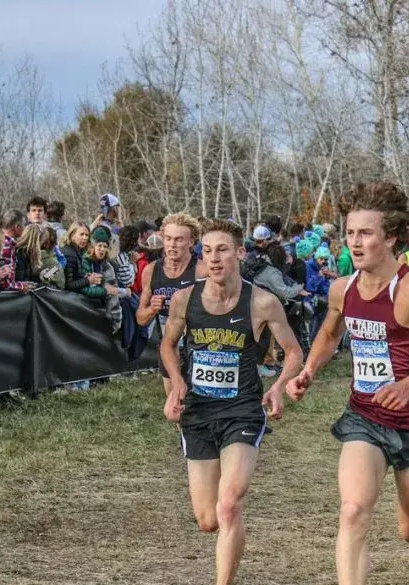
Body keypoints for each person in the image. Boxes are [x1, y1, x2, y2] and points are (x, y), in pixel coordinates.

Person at [286, 182, 409, 585]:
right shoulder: (342, 289)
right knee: (353, 511)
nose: (354, 241)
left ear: (389, 238)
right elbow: (332, 332)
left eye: (365, 233)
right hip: (364, 417)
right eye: (350, 232)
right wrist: (309, 371)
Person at [160, 219, 302, 585]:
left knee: (229, 505)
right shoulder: (184, 299)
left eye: (222, 249)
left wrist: (278, 386)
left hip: (242, 410)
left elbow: (293, 353)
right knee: (208, 520)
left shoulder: (262, 302)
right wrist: (176, 383)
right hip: (199, 413)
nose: (214, 259)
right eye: (207, 251)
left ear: (240, 252)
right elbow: (167, 345)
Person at [137, 213, 202, 400]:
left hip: (199, 345)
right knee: (175, 402)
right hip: (169, 346)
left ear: (191, 242)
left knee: (200, 403)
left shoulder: (202, 270)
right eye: (168, 239)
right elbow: (140, 318)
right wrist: (151, 309)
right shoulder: (151, 270)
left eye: (179, 239)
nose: (172, 245)